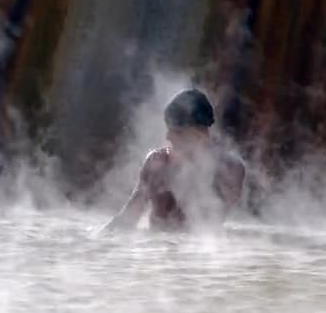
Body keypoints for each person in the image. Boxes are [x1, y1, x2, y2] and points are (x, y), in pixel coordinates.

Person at [104, 89, 245, 231]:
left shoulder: (230, 168)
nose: (168, 137)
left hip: (202, 250)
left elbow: (207, 226)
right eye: (168, 129)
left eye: (177, 131)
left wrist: (184, 177)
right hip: (155, 249)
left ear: (200, 133)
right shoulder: (158, 163)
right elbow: (127, 218)